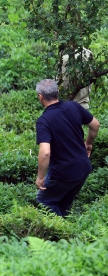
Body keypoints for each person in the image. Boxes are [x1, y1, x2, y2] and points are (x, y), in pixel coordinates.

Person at [35, 79, 100, 217]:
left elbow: (45, 152)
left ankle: (62, 235)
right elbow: (95, 125)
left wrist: (40, 177)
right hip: (83, 168)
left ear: (40, 96)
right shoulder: (73, 106)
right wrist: (88, 144)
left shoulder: (44, 121)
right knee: (63, 203)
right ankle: (69, 232)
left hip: (62, 174)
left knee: (44, 201)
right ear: (57, 92)